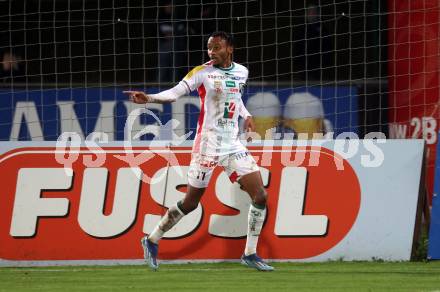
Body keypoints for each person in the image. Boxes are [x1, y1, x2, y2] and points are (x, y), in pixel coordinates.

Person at [123, 31, 274, 272]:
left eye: (217, 47)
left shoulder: (242, 71)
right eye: (209, 48)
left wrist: (247, 115)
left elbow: (235, 97)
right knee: (191, 202)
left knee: (260, 196)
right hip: (207, 144)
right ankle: (151, 239)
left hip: (232, 144)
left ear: (230, 49)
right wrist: (149, 97)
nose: (212, 52)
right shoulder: (202, 73)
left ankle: (250, 253)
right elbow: (174, 94)